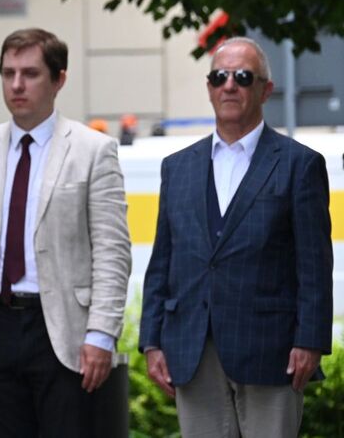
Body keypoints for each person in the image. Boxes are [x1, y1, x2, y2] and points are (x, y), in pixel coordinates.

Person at [0, 28, 131, 437]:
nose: (16, 84)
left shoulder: (93, 151)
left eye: (30, 73)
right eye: (8, 73)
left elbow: (113, 253)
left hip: (62, 331)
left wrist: (101, 334)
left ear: (59, 79)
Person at [139, 36, 333, 437]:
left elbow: (314, 264)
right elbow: (163, 262)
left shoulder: (299, 165)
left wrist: (310, 341)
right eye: (219, 76)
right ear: (209, 88)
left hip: (272, 351)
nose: (230, 85)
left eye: (243, 76)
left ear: (265, 89)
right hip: (192, 348)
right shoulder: (177, 168)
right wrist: (152, 342)